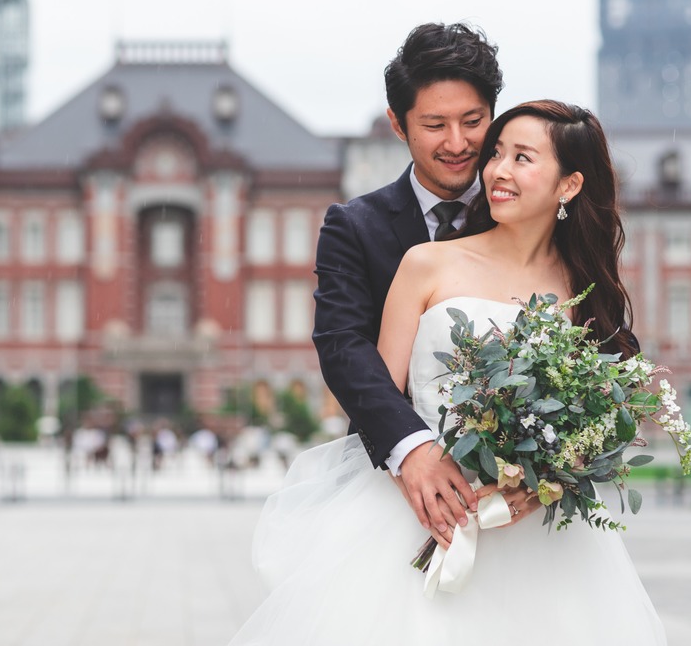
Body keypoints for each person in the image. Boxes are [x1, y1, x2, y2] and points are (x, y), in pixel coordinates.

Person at [229, 100, 665, 644]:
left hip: (542, 533)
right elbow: (378, 400)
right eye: (497, 153)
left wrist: (551, 478)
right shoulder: (427, 263)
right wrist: (421, 469)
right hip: (417, 509)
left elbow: (606, 410)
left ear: (569, 185)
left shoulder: (584, 288)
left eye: (522, 158)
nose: (498, 171)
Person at [314, 22, 504, 544]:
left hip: (516, 494)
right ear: (399, 125)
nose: (458, 143)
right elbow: (342, 346)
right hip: (395, 485)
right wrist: (412, 446)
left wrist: (553, 460)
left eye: (473, 121)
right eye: (435, 124)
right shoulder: (354, 226)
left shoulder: (526, 219)